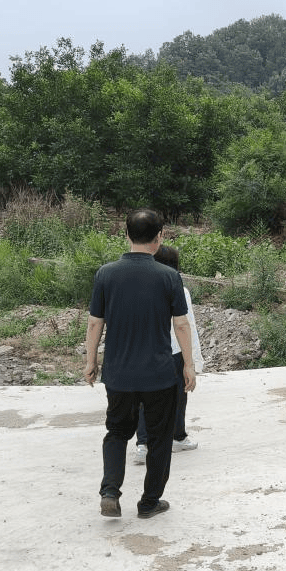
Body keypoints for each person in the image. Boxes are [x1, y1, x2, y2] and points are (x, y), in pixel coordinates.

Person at [84, 210, 196, 519]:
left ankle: (110, 491)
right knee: (159, 438)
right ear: (160, 237)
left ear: (127, 235)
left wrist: (91, 362)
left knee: (117, 433)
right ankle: (149, 503)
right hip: (159, 375)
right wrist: (188, 365)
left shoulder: (106, 274)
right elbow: (181, 325)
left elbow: (95, 323)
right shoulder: (169, 276)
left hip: (118, 374)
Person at [133, 244, 202, 465]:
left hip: (145, 350)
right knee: (178, 396)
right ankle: (177, 436)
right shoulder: (180, 290)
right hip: (174, 350)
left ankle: (143, 444)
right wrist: (190, 361)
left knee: (144, 398)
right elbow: (186, 324)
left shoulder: (138, 287)